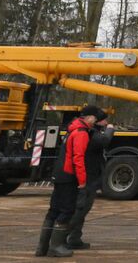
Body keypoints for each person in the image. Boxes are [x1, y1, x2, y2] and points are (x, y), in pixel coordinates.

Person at [36, 105, 97, 258]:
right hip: (69, 177)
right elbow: (78, 158)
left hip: (59, 174)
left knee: (53, 211)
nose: (95, 122)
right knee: (66, 210)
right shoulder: (82, 133)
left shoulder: (72, 130)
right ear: (89, 117)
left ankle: (42, 248)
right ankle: (56, 247)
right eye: (95, 118)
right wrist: (82, 182)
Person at [64, 106, 112, 250]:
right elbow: (103, 141)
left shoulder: (84, 130)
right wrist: (110, 130)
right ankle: (61, 237)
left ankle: (74, 238)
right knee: (81, 209)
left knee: (82, 209)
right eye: (103, 120)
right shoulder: (89, 133)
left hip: (88, 175)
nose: (105, 123)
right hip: (87, 177)